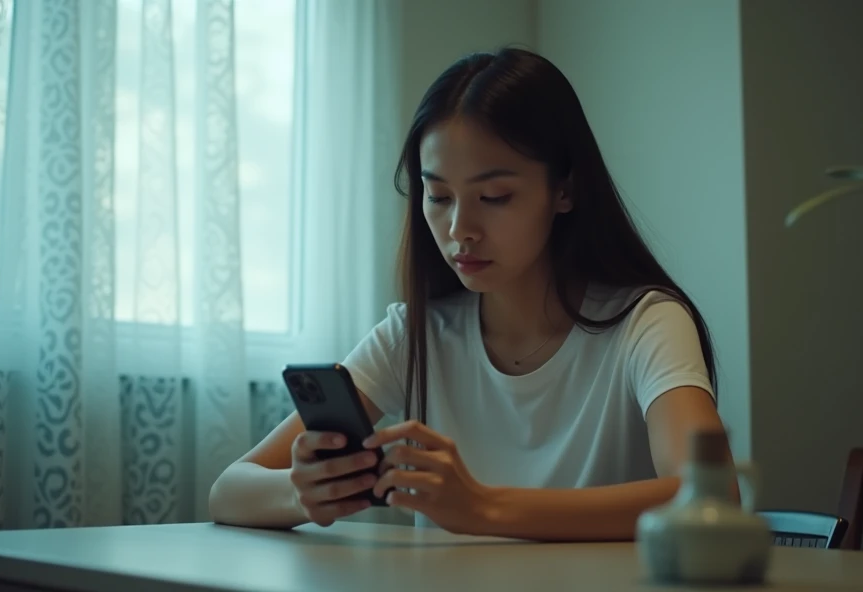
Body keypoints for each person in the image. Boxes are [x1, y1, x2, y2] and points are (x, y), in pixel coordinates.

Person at [208, 47, 737, 542]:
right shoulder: (416, 334)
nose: (461, 228)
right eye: (437, 196)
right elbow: (229, 490)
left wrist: (483, 507)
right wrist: (303, 493)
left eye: (494, 196)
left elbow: (710, 493)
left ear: (566, 189)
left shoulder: (645, 323)